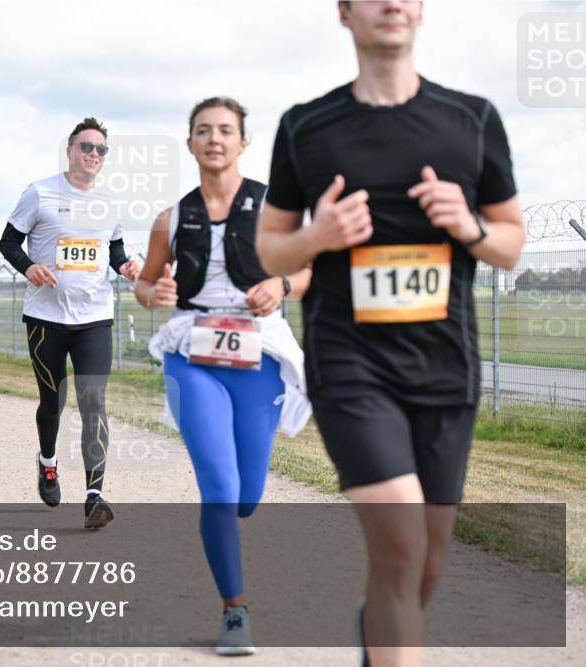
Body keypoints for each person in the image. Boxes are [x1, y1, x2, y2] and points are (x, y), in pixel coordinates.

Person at [255, 3, 526, 666]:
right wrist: (316, 237)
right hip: (350, 363)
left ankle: (376, 636)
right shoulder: (306, 125)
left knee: (424, 563)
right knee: (402, 545)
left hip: (444, 368)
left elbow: (510, 243)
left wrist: (470, 227)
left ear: (422, 10)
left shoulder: (472, 119)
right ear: (345, 13)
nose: (394, 4)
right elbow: (270, 248)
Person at [134, 97, 312, 655]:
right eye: (204, 130)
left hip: (258, 356)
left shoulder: (275, 210)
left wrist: (281, 286)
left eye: (226, 130)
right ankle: (235, 611)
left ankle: (229, 531)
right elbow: (144, 284)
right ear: (190, 143)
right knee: (219, 485)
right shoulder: (170, 218)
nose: (215, 138)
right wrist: (155, 293)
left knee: (247, 496)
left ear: (243, 142)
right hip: (192, 355)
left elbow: (310, 268)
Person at [0, 117, 141, 529]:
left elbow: (114, 248)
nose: (94, 154)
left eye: (101, 149)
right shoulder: (39, 192)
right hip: (46, 318)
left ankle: (94, 496)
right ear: (70, 150)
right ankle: (47, 462)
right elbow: (8, 242)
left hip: (94, 317)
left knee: (93, 401)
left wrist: (125, 265)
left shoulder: (110, 202)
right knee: (53, 401)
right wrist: (29, 267)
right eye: (86, 147)